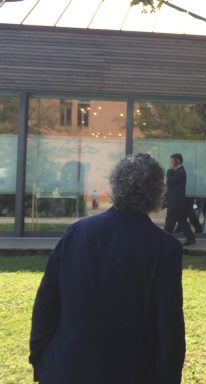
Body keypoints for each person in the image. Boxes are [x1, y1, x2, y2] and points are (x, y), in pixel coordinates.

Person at [29, 153, 185, 384]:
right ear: (158, 191)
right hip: (131, 373)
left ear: (115, 185)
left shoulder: (77, 232)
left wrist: (40, 361)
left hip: (67, 368)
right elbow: (169, 328)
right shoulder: (164, 248)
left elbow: (46, 303)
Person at [164, 153, 195, 246]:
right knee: (181, 221)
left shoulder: (180, 171)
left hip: (175, 202)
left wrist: (169, 170)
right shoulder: (178, 171)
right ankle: (190, 238)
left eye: (172, 160)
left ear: (177, 161)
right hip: (176, 201)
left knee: (170, 221)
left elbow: (170, 182)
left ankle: (164, 239)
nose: (170, 162)